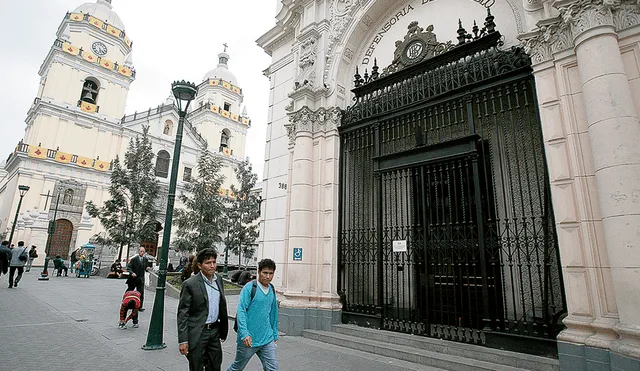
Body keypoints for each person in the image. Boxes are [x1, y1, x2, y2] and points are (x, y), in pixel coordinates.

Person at [177, 248, 228, 371]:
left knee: (215, 365)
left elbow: (221, 305)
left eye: (214, 262)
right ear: (199, 265)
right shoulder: (190, 284)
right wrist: (183, 340)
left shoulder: (219, 280)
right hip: (198, 333)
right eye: (208, 263)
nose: (212, 266)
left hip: (214, 331)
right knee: (196, 366)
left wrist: (223, 330)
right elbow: (183, 313)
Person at [226, 258, 279, 371]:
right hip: (248, 340)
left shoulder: (272, 289)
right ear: (258, 272)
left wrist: (274, 335)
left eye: (271, 273)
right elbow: (241, 311)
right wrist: (244, 334)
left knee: (273, 368)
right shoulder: (250, 288)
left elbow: (273, 313)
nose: (268, 276)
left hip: (267, 338)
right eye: (265, 273)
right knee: (237, 367)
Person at [127, 246, 150, 310]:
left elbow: (146, 267)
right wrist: (132, 273)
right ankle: (126, 302)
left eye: (143, 252)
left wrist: (147, 268)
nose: (142, 253)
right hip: (133, 279)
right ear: (138, 252)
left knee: (141, 293)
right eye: (141, 251)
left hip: (141, 279)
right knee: (130, 290)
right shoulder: (134, 259)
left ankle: (139, 306)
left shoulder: (145, 260)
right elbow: (128, 268)